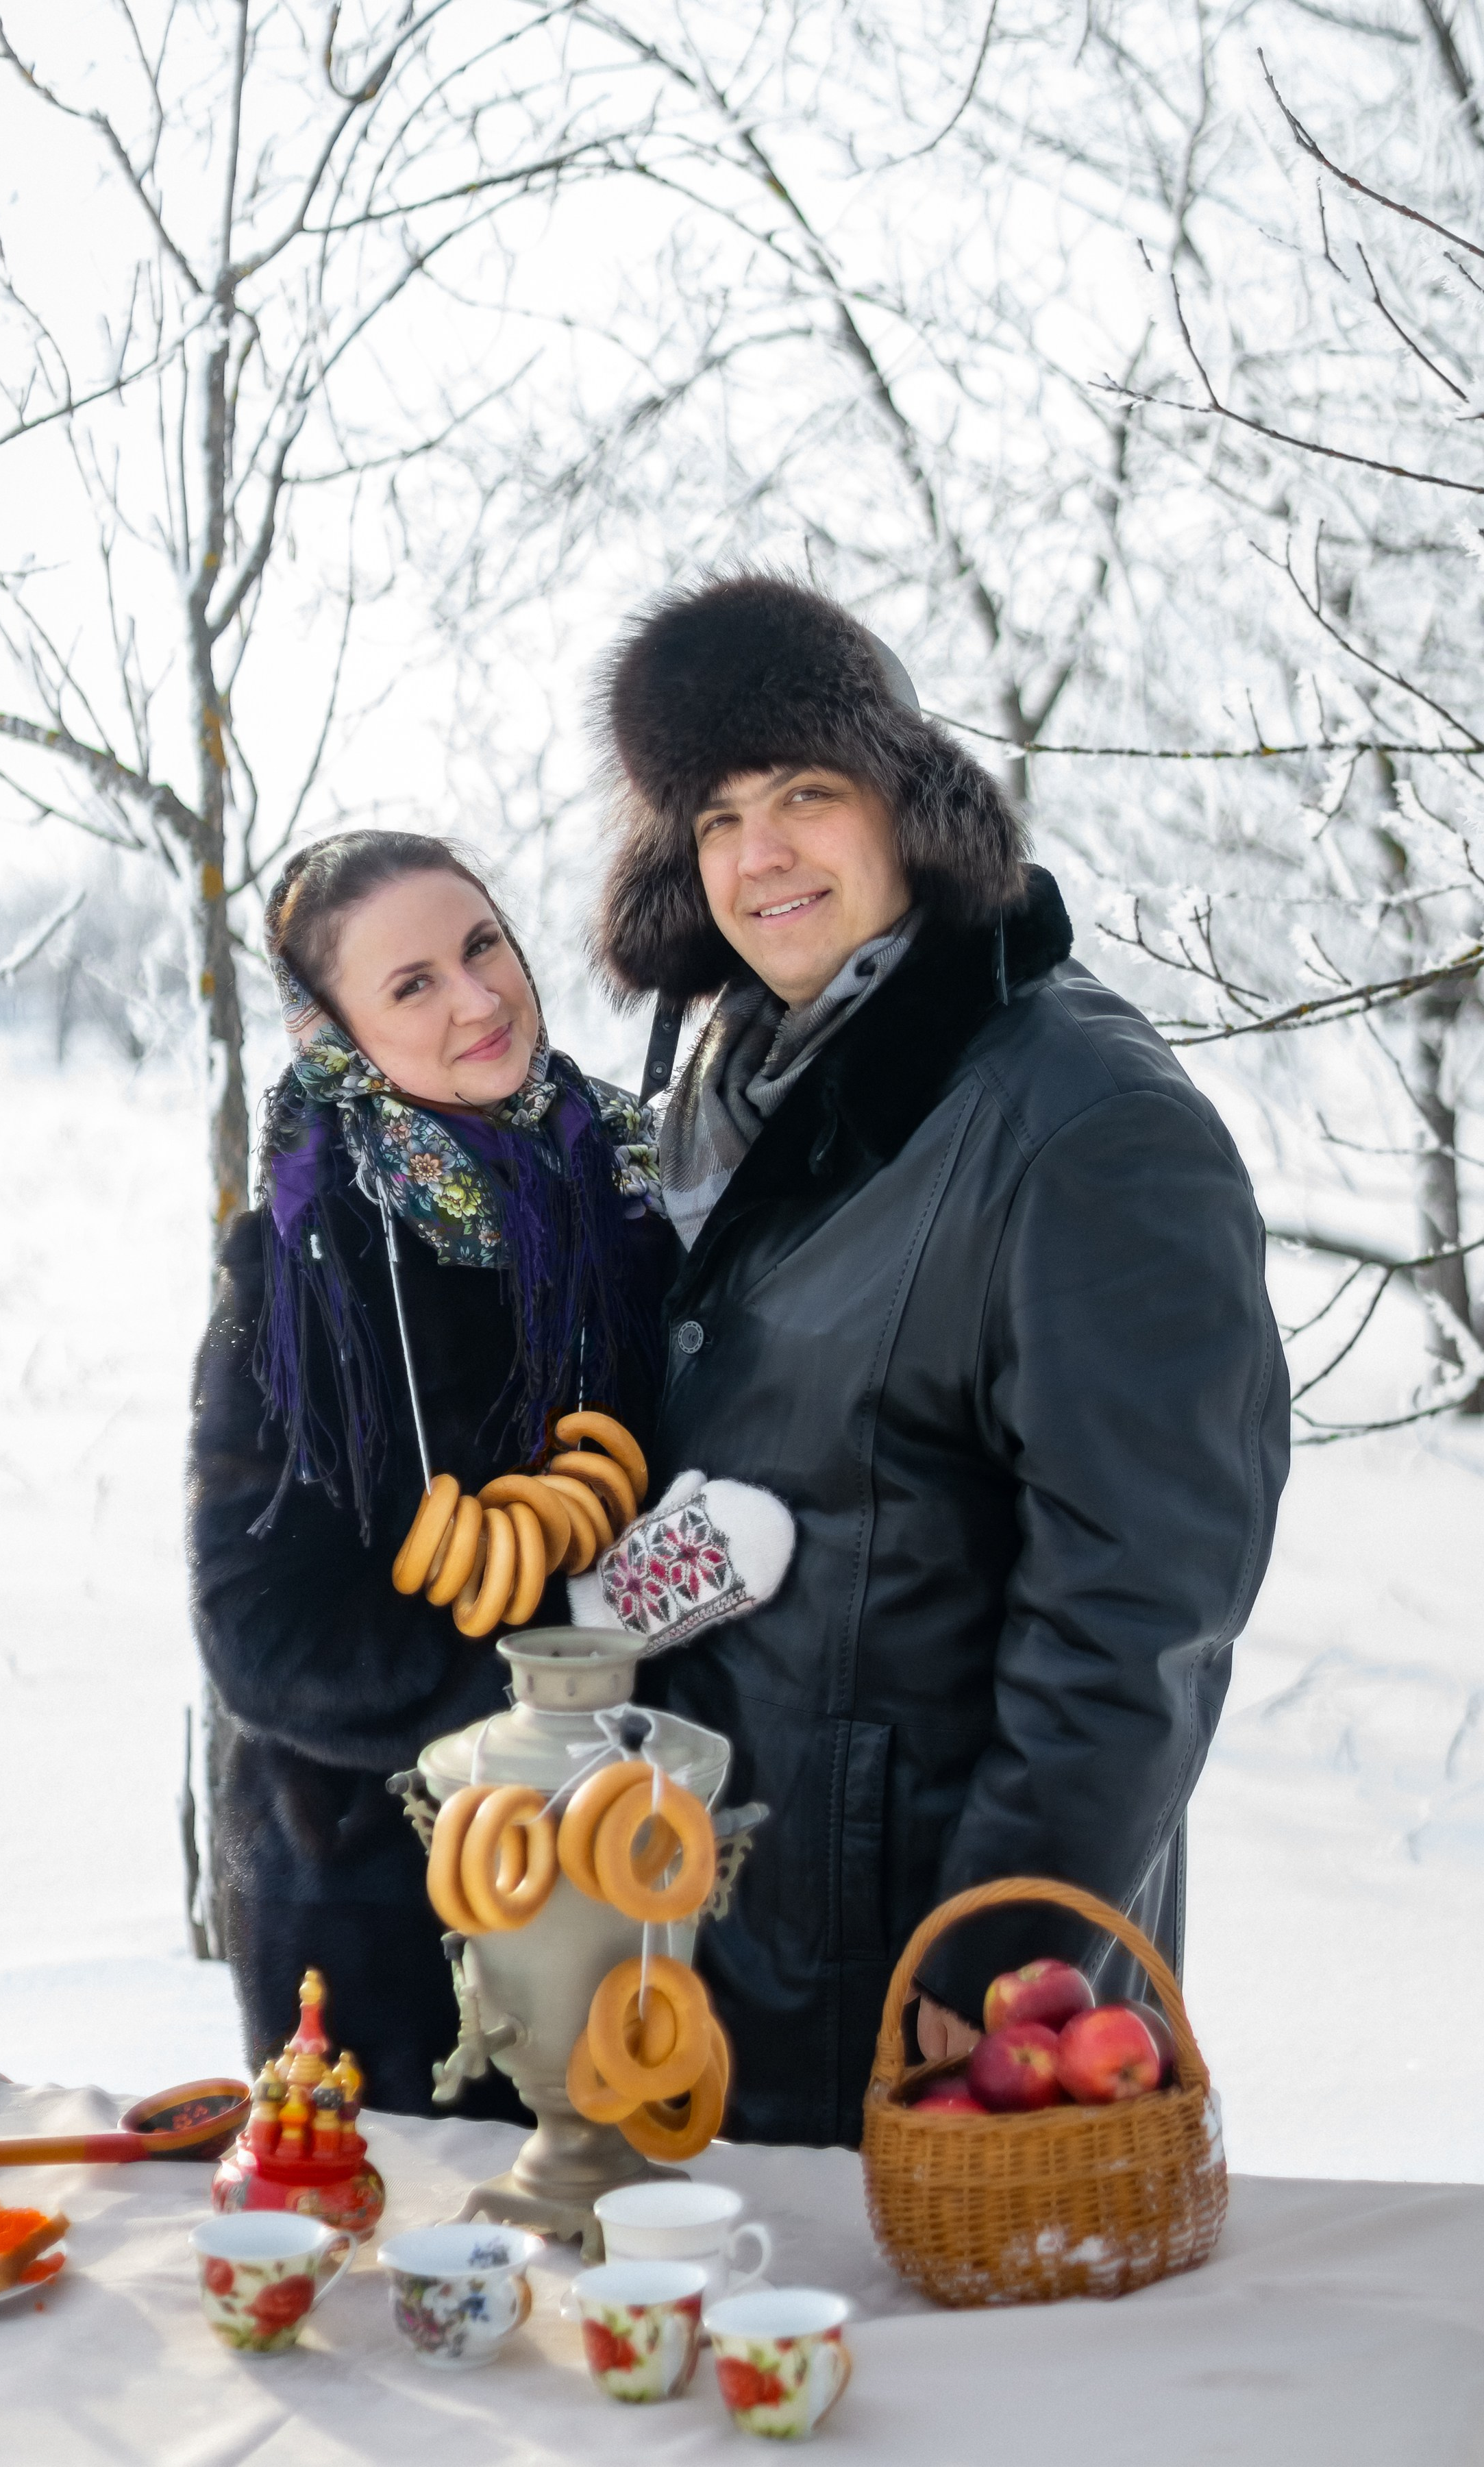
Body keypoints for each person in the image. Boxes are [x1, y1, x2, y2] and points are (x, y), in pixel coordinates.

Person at [593, 573, 1289, 2148]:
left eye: (804, 795)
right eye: (714, 818)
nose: (758, 854)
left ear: (909, 805)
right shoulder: (737, 1089)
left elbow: (1142, 1612)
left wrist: (1004, 1950)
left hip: (934, 1988)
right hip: (716, 1948)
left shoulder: (1084, 1125)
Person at [187, 829, 671, 2113]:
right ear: (336, 1037)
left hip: (641, 1882)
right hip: (378, 1929)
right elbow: (262, 1632)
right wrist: (551, 1674)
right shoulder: (301, 1275)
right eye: (411, 986)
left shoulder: (634, 1198)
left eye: (481, 947)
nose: (476, 998)